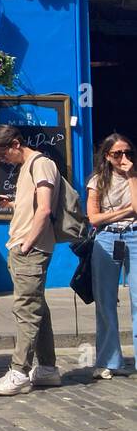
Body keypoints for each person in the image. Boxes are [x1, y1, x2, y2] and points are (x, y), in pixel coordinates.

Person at [0, 124, 61, 396]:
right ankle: (48, 368)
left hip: (31, 247)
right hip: (24, 245)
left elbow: (45, 208)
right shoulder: (29, 166)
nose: (1, 160)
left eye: (2, 154)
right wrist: (14, 204)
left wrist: (27, 243)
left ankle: (19, 371)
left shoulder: (40, 164)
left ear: (16, 144)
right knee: (37, 306)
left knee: (26, 309)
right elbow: (34, 206)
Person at [86, 133, 137, 379]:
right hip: (107, 239)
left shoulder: (134, 177)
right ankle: (108, 360)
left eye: (128, 153)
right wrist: (127, 211)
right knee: (105, 300)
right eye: (117, 154)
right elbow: (94, 218)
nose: (123, 158)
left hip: (135, 236)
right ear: (107, 156)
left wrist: (132, 176)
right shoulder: (98, 181)